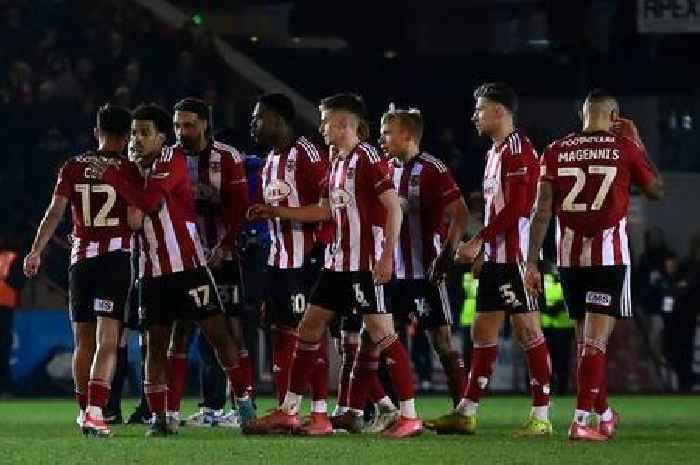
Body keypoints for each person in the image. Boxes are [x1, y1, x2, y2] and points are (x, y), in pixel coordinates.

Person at [245, 93, 422, 438]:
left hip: (364, 265)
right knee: (309, 330)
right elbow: (325, 210)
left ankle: (409, 415)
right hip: (336, 263)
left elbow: (394, 207)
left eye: (326, 121)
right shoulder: (337, 160)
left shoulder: (368, 158)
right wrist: (276, 211)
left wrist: (385, 256)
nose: (321, 127)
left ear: (344, 124)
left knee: (383, 335)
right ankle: (290, 411)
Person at [88, 103, 254, 437]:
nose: (137, 139)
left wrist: (111, 176)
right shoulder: (131, 169)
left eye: (145, 133)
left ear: (162, 137)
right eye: (134, 132)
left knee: (219, 336)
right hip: (150, 273)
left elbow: (149, 202)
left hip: (188, 268)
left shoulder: (171, 160)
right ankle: (162, 418)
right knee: (155, 344)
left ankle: (245, 403)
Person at [525, 89, 664, 441]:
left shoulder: (555, 150)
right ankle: (582, 421)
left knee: (584, 343)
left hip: (568, 259)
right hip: (608, 257)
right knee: (595, 344)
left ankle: (602, 415)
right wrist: (638, 142)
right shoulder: (624, 147)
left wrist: (531, 262)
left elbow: (541, 210)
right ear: (614, 116)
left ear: (584, 115)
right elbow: (656, 190)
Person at [427, 83, 553, 437]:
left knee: (528, 330)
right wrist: (485, 250)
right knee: (482, 330)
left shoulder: (519, 149)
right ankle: (466, 412)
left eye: (480, 109)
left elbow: (516, 207)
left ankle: (542, 416)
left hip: (515, 259)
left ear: (499, 111)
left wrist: (479, 241)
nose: (474, 116)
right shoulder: (494, 152)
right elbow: (498, 208)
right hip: (496, 259)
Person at [343, 106, 469, 432]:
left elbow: (461, 212)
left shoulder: (432, 168)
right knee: (370, 338)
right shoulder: (383, 168)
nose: (382, 139)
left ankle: (463, 412)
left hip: (425, 273)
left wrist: (447, 254)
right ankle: (361, 411)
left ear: (408, 136)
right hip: (390, 274)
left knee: (441, 341)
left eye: (388, 133)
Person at [24, 104, 136, 437]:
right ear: (126, 135)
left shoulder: (72, 167)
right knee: (108, 340)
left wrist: (35, 252)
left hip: (81, 262)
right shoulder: (129, 170)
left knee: (82, 342)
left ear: (96, 131)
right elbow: (134, 220)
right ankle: (97, 412)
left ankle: (83, 410)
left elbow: (54, 212)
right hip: (115, 261)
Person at [166, 97, 253, 428]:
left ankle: (242, 405)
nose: (182, 132)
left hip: (223, 258)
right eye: (177, 126)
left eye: (188, 125)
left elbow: (239, 209)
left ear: (204, 123)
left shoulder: (226, 157)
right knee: (183, 331)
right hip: (183, 261)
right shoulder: (169, 157)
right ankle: (193, 409)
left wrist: (224, 246)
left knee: (230, 332)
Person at [249, 93, 332, 433]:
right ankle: (288, 410)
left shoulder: (308, 154)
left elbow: (327, 210)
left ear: (279, 119)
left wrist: (277, 211)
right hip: (278, 261)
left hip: (306, 260)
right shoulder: (270, 160)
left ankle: (321, 413)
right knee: (283, 334)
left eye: (259, 117)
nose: (253, 124)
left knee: (309, 334)